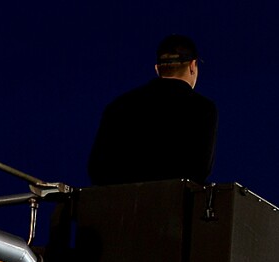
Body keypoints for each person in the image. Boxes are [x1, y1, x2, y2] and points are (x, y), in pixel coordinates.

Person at [88, 34, 217, 186]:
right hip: (174, 205)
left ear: (157, 69)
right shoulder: (203, 109)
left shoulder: (118, 106)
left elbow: (96, 168)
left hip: (118, 205)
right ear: (192, 66)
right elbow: (199, 170)